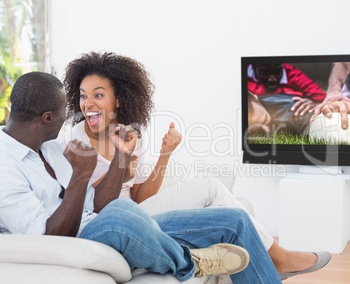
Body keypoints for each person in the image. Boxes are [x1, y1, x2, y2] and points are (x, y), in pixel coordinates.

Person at [60, 51, 332, 280]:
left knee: (210, 188)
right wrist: (117, 170)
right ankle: (277, 257)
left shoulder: (130, 134)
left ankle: (274, 256)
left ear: (118, 99)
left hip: (138, 210)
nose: (88, 104)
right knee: (227, 214)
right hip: (116, 223)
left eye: (98, 95)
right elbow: (82, 203)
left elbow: (141, 197)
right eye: (83, 96)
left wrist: (164, 155)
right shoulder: (74, 141)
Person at [0, 71, 286, 283]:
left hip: (104, 223)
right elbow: (47, 237)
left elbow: (96, 205)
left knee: (232, 219)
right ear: (47, 118)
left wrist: (121, 157)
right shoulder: (5, 165)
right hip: (78, 239)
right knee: (122, 211)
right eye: (66, 112)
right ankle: (189, 262)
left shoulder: (48, 149)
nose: (71, 117)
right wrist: (79, 177)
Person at [247, 63, 326, 134]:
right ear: (254, 68)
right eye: (265, 73)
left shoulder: (291, 73)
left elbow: (321, 97)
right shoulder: (244, 77)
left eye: (277, 72)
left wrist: (314, 104)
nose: (272, 79)